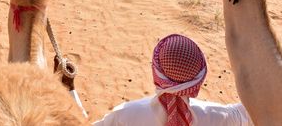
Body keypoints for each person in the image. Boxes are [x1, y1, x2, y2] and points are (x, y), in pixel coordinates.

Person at [93, 34, 253, 126]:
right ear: (199, 79)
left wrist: (68, 90)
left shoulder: (125, 115)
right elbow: (255, 112)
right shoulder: (219, 116)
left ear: (156, 74)